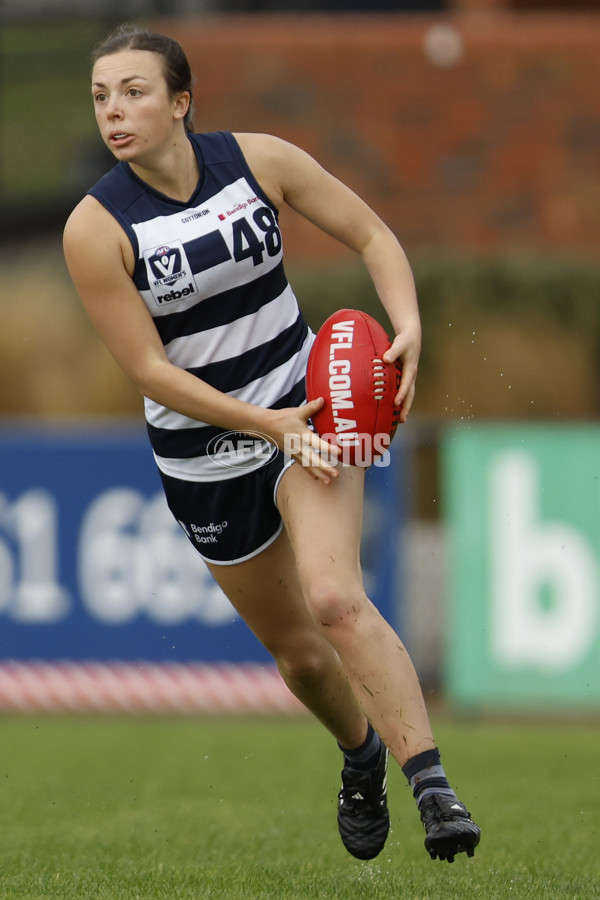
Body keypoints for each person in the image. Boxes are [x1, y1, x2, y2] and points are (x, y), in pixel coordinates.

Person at [63, 24, 481, 864]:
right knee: (300, 657)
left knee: (335, 599)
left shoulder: (260, 161)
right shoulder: (96, 226)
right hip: (205, 454)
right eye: (103, 96)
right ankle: (360, 755)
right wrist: (263, 426)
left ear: (182, 101)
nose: (115, 110)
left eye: (135, 91)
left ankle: (433, 784)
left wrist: (407, 327)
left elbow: (373, 236)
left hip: (308, 408)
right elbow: (148, 370)